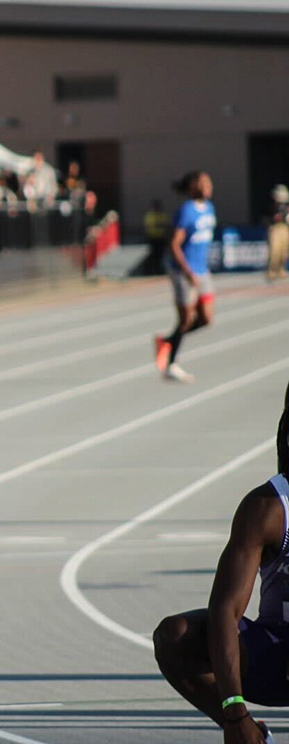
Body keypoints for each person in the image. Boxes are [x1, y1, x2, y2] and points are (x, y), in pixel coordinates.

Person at [153, 379, 289, 744]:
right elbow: (224, 611)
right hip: (277, 655)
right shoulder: (268, 508)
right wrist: (234, 711)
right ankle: (251, 735)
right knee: (175, 637)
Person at [154, 170, 217, 383]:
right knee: (185, 319)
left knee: (206, 319)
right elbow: (174, 244)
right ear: (193, 186)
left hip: (201, 270)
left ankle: (168, 341)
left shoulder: (209, 208)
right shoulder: (186, 211)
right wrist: (188, 272)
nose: (209, 186)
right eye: (204, 182)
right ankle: (171, 364)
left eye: (209, 182)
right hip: (183, 271)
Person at [267, 185, 288, 281]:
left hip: (285, 228)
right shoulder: (273, 206)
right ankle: (272, 271)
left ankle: (281, 269)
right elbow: (272, 218)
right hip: (276, 228)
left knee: (284, 251)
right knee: (275, 251)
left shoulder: (286, 208)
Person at [144, 199, 170, 276]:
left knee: (160, 255)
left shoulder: (162, 215)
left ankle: (159, 270)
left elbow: (166, 226)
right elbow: (148, 227)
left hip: (161, 238)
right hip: (152, 238)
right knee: (153, 255)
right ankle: (151, 270)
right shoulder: (149, 216)